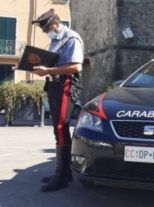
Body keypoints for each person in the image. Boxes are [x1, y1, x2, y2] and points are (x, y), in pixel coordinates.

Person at [31, 8, 84, 192]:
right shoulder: (56, 40)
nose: (46, 32)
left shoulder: (71, 38)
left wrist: (49, 71)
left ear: (55, 23)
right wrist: (41, 69)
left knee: (61, 128)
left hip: (65, 85)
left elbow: (76, 66)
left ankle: (61, 176)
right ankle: (63, 171)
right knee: (57, 128)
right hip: (54, 86)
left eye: (46, 29)